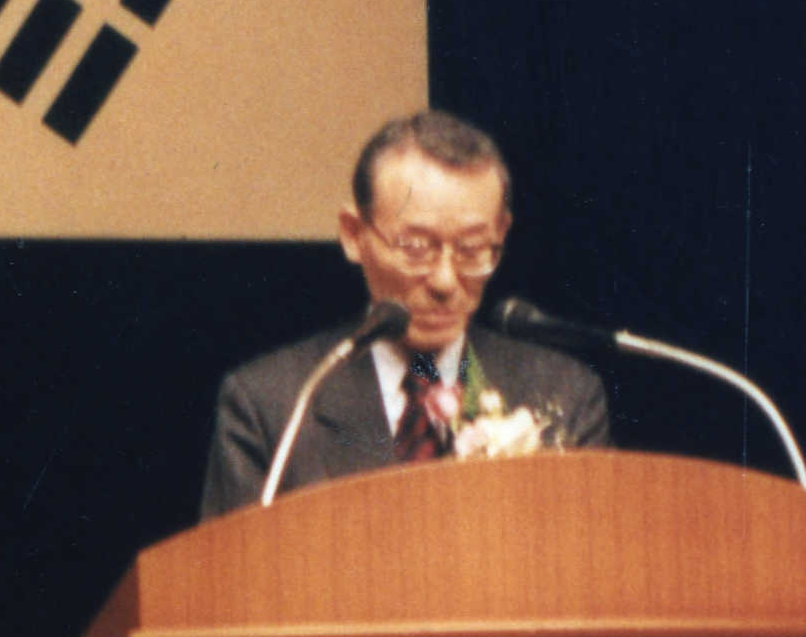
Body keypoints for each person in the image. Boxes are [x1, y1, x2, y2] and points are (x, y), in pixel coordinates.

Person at [199, 111, 611, 517]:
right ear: (354, 234)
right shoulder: (273, 406)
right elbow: (234, 561)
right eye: (416, 248)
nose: (445, 282)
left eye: (471, 250)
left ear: (500, 233)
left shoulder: (564, 394)